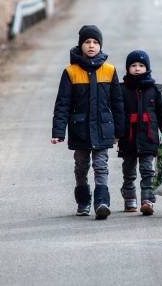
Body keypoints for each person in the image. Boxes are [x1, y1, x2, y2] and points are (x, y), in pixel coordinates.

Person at [52, 25, 125, 219]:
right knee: (81, 166)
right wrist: (58, 132)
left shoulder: (109, 71)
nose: (91, 46)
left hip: (102, 129)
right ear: (80, 45)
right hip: (80, 130)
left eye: (95, 42)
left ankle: (102, 202)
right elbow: (63, 104)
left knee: (101, 165)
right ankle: (83, 202)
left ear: (100, 45)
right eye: (87, 42)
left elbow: (117, 104)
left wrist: (119, 131)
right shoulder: (71, 72)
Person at [118, 50, 162, 215]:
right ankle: (129, 198)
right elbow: (117, 114)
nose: (137, 68)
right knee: (129, 170)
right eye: (133, 65)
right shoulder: (122, 89)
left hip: (148, 138)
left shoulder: (154, 90)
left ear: (147, 68)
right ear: (128, 68)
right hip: (128, 138)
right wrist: (116, 134)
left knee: (148, 170)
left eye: (141, 65)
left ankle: (147, 200)